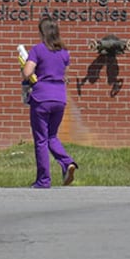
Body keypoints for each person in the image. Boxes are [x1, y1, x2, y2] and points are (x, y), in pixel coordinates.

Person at [21, 17, 77, 188]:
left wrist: (24, 65)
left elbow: (27, 72)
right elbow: (63, 73)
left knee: (41, 140)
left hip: (41, 97)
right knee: (52, 136)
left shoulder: (37, 50)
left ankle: (43, 180)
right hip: (59, 97)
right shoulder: (64, 53)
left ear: (42, 32)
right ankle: (67, 163)